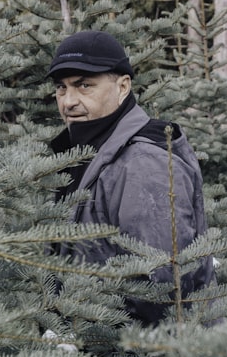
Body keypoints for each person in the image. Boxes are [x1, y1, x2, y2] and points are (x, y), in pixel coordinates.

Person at [47, 29, 215, 326]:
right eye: (61, 88)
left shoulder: (143, 164)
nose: (68, 101)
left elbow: (160, 289)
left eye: (84, 85)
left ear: (123, 87)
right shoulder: (81, 151)